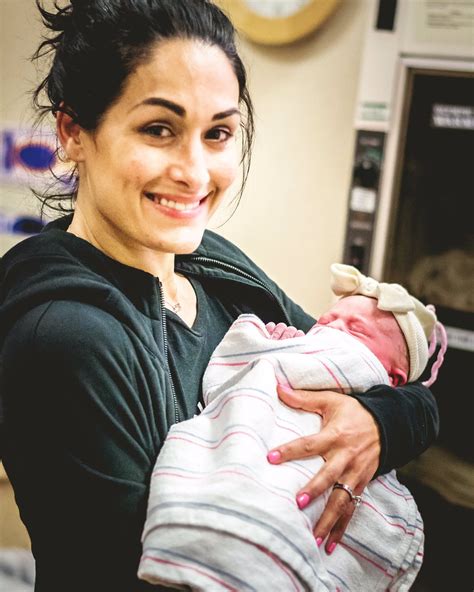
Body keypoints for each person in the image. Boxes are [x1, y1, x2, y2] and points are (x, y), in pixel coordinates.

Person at [0, 1, 439, 591]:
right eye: (160, 129)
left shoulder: (215, 268)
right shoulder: (67, 335)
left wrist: (378, 423)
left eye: (218, 133)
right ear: (74, 133)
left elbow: (410, 392)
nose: (195, 171)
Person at [139, 264, 447, 591]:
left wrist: (379, 420)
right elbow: (238, 368)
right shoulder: (96, 327)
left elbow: (421, 402)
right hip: (251, 470)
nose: (332, 329)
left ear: (393, 378)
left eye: (356, 330)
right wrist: (272, 344)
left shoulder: (215, 259)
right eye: (328, 320)